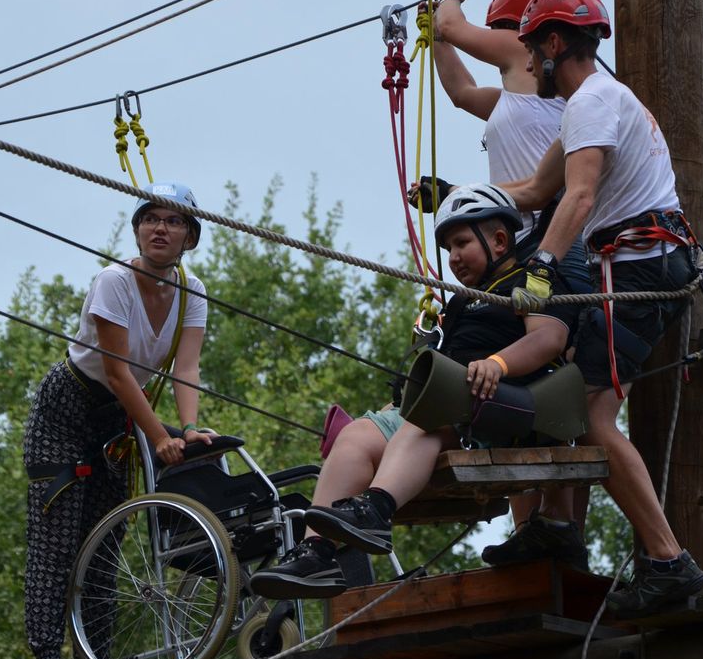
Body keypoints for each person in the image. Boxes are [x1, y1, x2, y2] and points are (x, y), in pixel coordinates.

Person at [248, 185, 580, 599]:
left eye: (461, 243)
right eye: (448, 248)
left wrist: (498, 364)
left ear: (498, 240)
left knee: (424, 422)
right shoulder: (461, 302)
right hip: (445, 405)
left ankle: (377, 508)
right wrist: (398, 404)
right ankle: (315, 554)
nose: (454, 257)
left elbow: (548, 340)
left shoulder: (533, 282)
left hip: (501, 408)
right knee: (358, 436)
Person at [497, 0, 703, 619]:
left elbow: (579, 198)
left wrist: (540, 266)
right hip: (645, 262)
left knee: (589, 416)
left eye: (534, 50)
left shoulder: (590, 102)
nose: (530, 65)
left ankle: (668, 561)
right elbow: (537, 188)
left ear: (556, 43)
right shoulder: (597, 102)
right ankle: (558, 525)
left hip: (636, 266)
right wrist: (463, 195)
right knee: (569, 392)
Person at [22, 183, 210, 659]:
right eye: (150, 218)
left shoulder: (192, 294)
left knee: (104, 542)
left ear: (189, 237)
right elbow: (120, 372)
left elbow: (186, 369)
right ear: (137, 229)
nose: (160, 229)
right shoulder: (114, 281)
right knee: (58, 537)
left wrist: (189, 429)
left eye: (173, 222)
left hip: (117, 419)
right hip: (68, 409)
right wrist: (159, 437)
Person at [431, 0, 594, 546]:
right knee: (527, 382)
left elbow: (456, 25)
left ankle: (554, 523)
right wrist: (435, 35)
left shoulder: (521, 53)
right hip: (520, 244)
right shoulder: (519, 98)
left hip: (545, 241)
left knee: (540, 372)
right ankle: (537, 527)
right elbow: (457, 91)